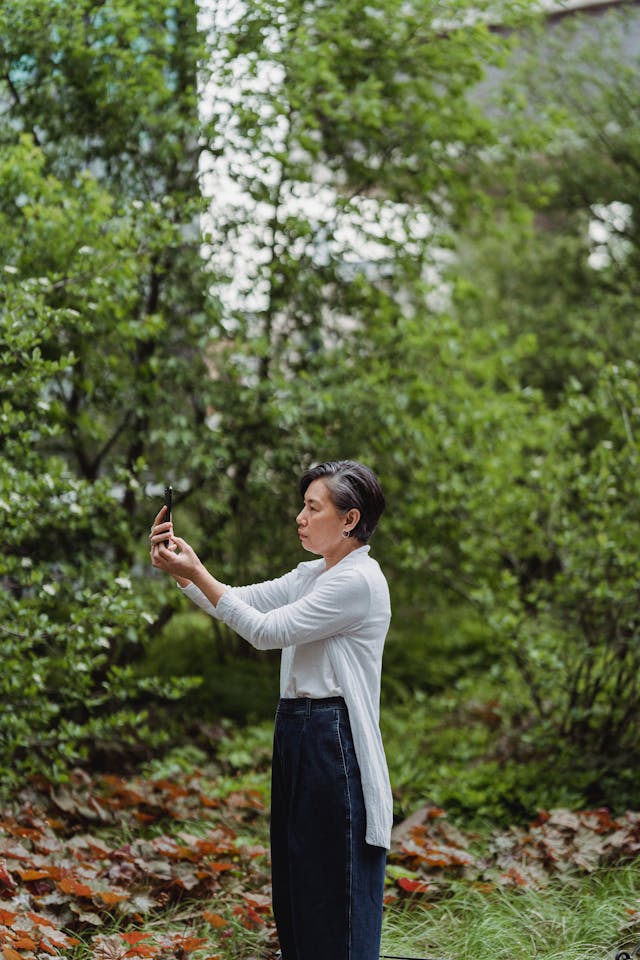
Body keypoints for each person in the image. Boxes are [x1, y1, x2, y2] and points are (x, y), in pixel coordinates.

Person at [149, 459, 393, 960]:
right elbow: (238, 601)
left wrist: (196, 572)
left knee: (333, 884)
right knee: (297, 880)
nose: (300, 518)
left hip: (334, 737)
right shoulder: (313, 575)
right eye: (301, 506)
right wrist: (183, 572)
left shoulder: (358, 581)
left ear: (350, 520)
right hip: (298, 731)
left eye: (312, 507)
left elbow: (266, 632)